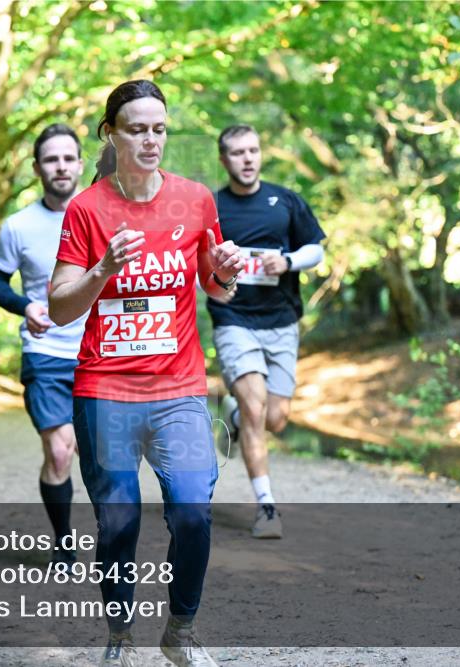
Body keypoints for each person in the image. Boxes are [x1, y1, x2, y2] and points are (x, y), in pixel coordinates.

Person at [48, 80, 243, 667]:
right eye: (137, 128)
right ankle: (120, 638)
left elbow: (216, 288)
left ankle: (179, 631)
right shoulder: (87, 209)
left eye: (159, 128)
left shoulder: (195, 200)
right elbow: (60, 305)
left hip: (178, 387)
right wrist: (104, 267)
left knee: (192, 510)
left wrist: (225, 272)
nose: (150, 139)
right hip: (105, 389)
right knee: (118, 519)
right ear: (111, 133)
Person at [207, 125, 326, 539]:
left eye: (253, 150)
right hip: (234, 321)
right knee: (258, 412)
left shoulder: (285, 201)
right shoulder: (213, 206)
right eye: (237, 152)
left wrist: (289, 262)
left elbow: (316, 248)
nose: (247, 158)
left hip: (281, 323)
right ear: (224, 160)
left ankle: (232, 415)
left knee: (276, 418)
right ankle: (267, 509)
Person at [0, 123, 87, 568]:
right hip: (45, 352)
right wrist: (25, 306)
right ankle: (65, 542)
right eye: (51, 159)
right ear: (37, 168)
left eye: (68, 158)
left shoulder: (104, 217)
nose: (60, 166)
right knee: (60, 450)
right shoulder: (19, 226)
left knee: (91, 449)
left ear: (81, 164)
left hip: (99, 353)